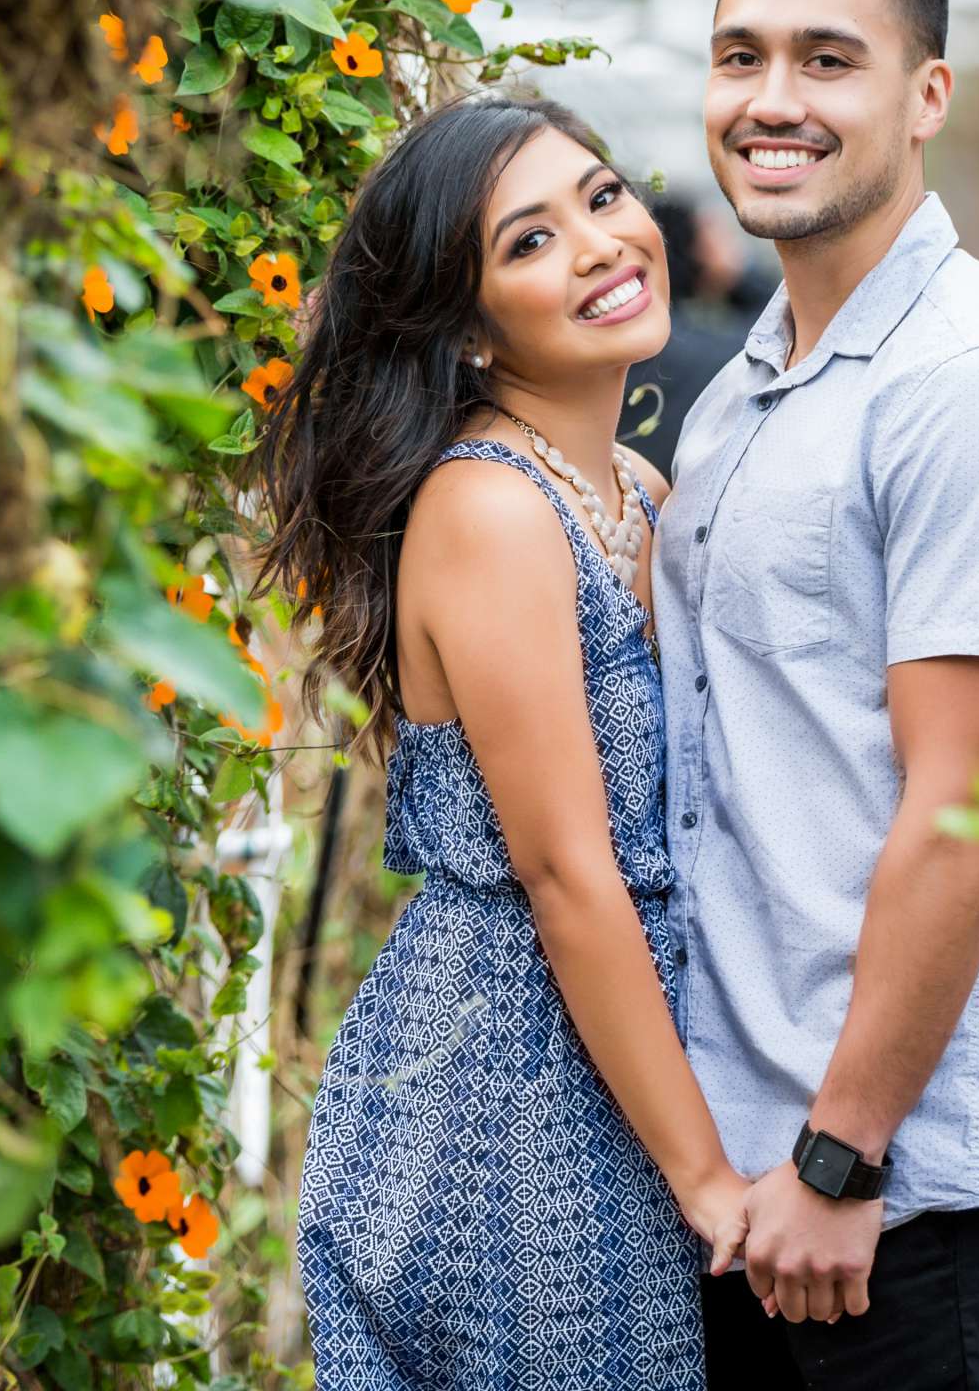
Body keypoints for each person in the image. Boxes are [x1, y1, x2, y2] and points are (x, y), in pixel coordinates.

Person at [656, 0, 979, 1389]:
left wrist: (843, 1155)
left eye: (826, 60)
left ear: (927, 96)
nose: (772, 101)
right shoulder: (746, 392)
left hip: (910, 1196)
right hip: (756, 1179)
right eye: (740, 58)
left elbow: (959, 812)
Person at [261, 92, 746, 1388]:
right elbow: (569, 873)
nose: (598, 244)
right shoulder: (492, 506)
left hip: (625, 1049)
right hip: (512, 1088)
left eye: (600, 197)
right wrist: (707, 1180)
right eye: (530, 241)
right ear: (470, 330)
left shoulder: (637, 492)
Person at [620, 197, 771, 471]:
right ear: (702, 250)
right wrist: (739, 273)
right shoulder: (714, 357)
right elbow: (785, 332)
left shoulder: (614, 348)